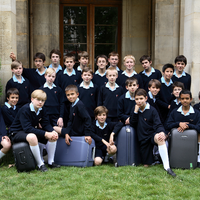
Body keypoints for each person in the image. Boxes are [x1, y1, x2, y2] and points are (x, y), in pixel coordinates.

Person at [9, 89, 60, 172]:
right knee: (32, 137)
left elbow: (46, 124)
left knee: (53, 135)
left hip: (28, 131)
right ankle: (40, 164)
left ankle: (51, 162)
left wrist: (53, 131)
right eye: (38, 100)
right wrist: (46, 134)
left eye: (43, 100)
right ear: (32, 99)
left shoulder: (42, 109)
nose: (40, 102)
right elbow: (27, 128)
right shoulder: (25, 109)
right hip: (16, 132)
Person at [130, 88, 176, 177]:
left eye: (141, 98)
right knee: (146, 165)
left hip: (152, 135)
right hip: (142, 138)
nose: (139, 101)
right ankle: (152, 159)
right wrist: (135, 112)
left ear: (146, 98)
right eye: (137, 99)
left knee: (160, 138)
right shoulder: (134, 109)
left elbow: (158, 124)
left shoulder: (152, 110)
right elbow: (132, 124)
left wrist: (162, 132)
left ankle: (167, 167)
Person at [166, 89, 200, 167]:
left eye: (187, 98)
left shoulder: (197, 113)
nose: (185, 100)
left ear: (191, 99)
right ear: (180, 99)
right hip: (176, 140)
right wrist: (179, 124)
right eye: (182, 98)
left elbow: (199, 127)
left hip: (193, 140)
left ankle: (198, 160)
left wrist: (188, 126)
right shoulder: (174, 112)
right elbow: (167, 125)